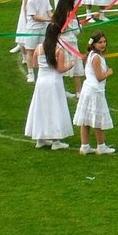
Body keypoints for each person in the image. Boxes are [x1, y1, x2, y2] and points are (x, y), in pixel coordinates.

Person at [24, 21, 75, 150]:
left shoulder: (39, 48)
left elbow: (35, 65)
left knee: (41, 108)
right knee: (55, 108)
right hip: (54, 81)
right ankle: (56, 141)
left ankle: (40, 138)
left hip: (41, 81)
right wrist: (71, 64)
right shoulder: (59, 50)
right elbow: (60, 69)